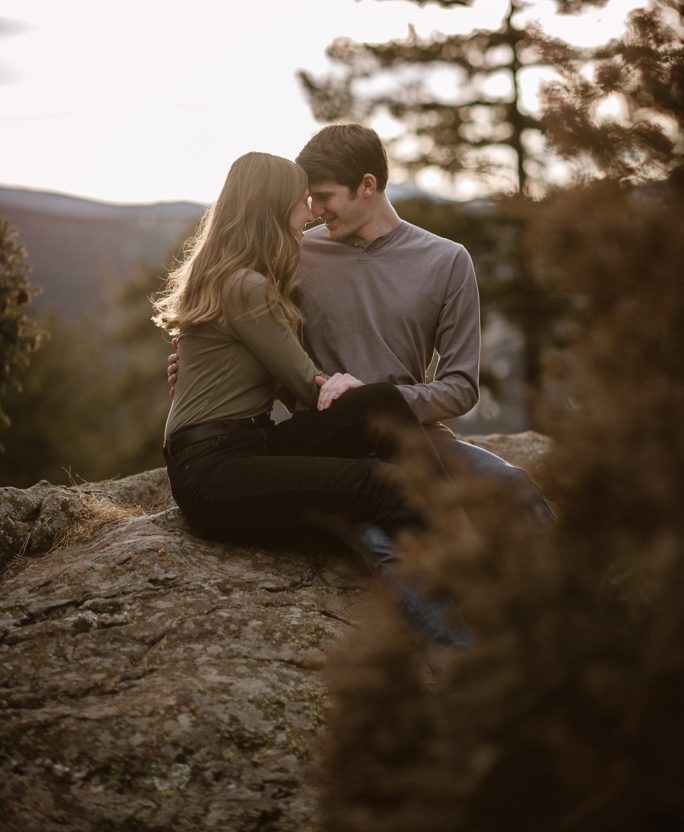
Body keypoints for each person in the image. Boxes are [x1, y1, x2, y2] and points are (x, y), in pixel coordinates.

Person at [154, 151, 471, 648]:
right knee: (376, 484)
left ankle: (454, 531)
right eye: (302, 203)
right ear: (274, 207)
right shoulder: (246, 286)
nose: (310, 214)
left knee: (383, 401)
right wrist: (334, 386)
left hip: (242, 449)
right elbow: (307, 387)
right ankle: (465, 608)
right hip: (215, 471)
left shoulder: (237, 276)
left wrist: (348, 393)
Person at [169, 124, 552, 523]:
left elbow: (460, 387)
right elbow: (254, 334)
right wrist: (200, 366)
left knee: (513, 486)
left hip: (410, 435)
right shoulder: (295, 253)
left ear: (367, 185)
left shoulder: (447, 260)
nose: (314, 211)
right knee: (383, 541)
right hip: (323, 437)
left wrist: (377, 404)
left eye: (324, 196)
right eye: (309, 199)